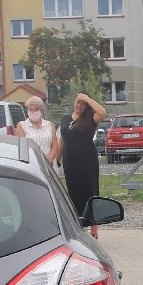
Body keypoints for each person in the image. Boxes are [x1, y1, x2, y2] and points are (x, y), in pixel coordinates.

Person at [49, 91, 107, 237]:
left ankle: (94, 227)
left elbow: (103, 113)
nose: (79, 105)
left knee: (90, 190)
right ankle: (77, 226)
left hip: (87, 159)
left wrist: (87, 98)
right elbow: (62, 141)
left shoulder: (90, 118)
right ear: (74, 102)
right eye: (78, 102)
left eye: (83, 104)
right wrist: (56, 161)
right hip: (70, 160)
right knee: (73, 191)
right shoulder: (65, 119)